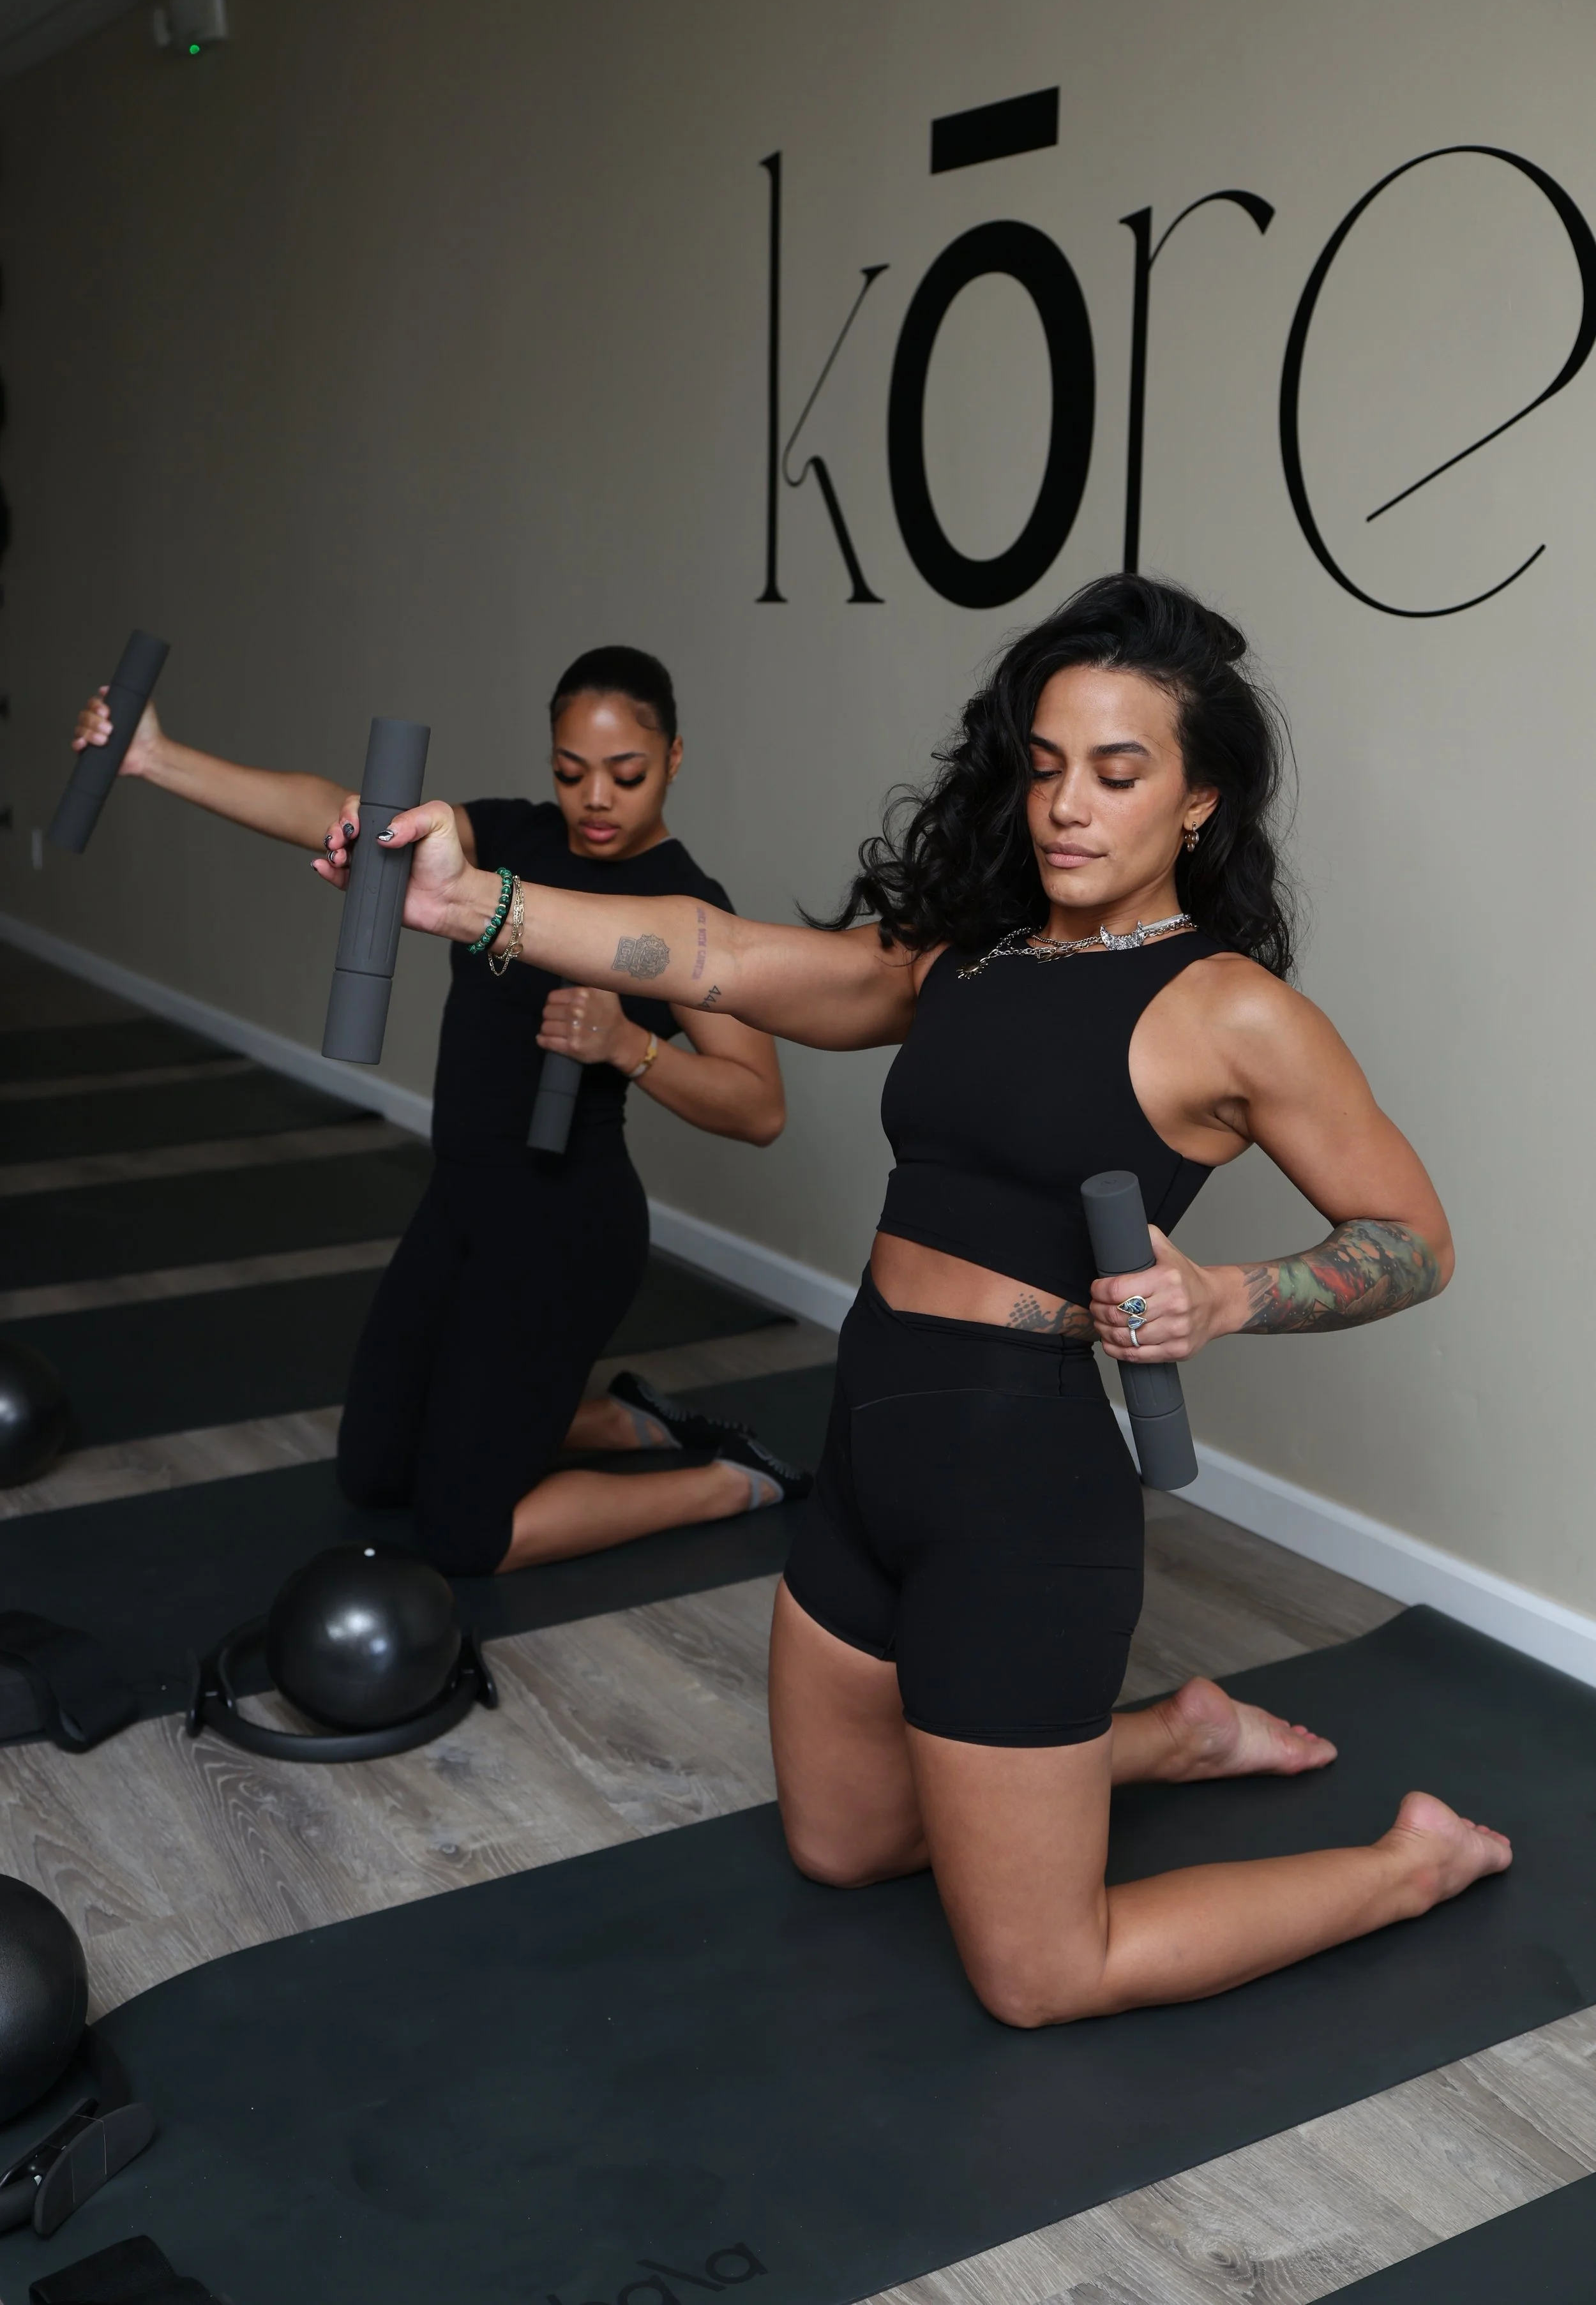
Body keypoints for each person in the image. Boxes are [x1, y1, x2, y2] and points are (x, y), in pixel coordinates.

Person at [320, 573, 1510, 2026]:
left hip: (1020, 1489)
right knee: (840, 1846)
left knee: (1037, 1975)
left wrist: (1234, 1294)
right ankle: (1164, 1741)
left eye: (1117, 774)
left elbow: (1410, 1238)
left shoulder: (1230, 1010)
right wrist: (476, 902)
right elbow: (718, 957)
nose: (1068, 805)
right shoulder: (974, 957)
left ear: (1195, 802)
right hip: (872, 1441)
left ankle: (1402, 1867)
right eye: (1047, 765)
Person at [73, 645, 806, 1575]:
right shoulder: (510, 838)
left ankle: (731, 1476)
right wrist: (155, 757)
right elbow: (341, 814)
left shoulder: (688, 910)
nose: (595, 799)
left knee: (467, 1535)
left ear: (674, 759)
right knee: (376, 1472)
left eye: (626, 774)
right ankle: (620, 1418)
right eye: (570, 771)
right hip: (459, 1201)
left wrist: (632, 1046)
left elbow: (759, 1107)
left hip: (565, 1227)